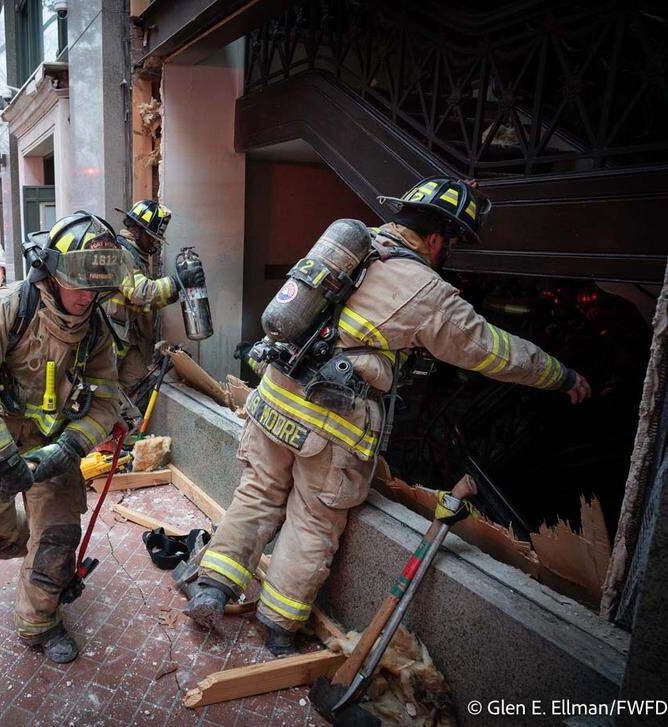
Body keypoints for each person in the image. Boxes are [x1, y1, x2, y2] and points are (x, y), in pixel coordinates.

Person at [183, 178, 592, 655]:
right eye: (452, 244)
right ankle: (278, 626)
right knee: (313, 520)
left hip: (274, 398)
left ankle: (213, 586)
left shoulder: (352, 249)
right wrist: (560, 375)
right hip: (331, 425)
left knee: (257, 492)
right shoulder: (429, 291)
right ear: (437, 239)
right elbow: (495, 352)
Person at [0, 211, 133, 663]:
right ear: (51, 270)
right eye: (78, 281)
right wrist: (3, 458)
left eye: (97, 284)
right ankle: (27, 548)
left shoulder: (97, 332)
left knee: (56, 538)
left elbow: (106, 400)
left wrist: (70, 446)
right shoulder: (9, 308)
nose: (88, 295)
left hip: (53, 452)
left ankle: (39, 623)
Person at [105, 200, 203, 391]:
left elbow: (145, 305)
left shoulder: (136, 256)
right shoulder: (119, 253)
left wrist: (176, 291)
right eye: (151, 237)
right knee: (105, 394)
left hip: (128, 342)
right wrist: (177, 282)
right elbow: (141, 293)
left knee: (136, 389)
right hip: (110, 342)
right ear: (137, 229)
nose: (155, 242)